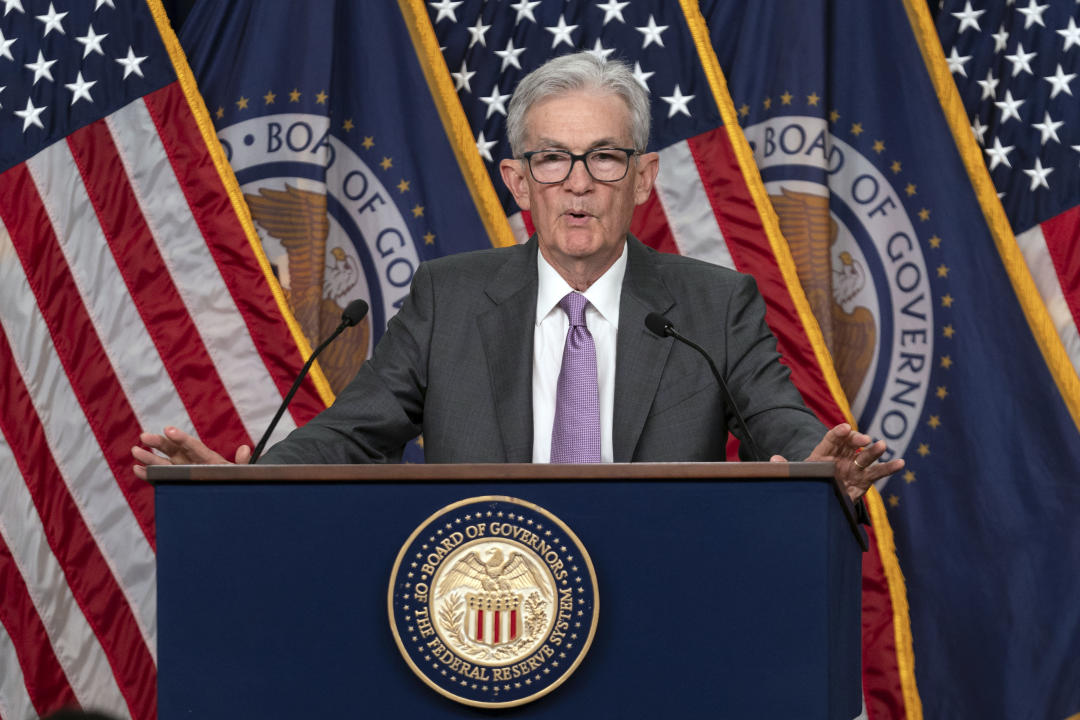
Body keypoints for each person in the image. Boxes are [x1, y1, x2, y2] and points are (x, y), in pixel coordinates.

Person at [133, 52, 903, 500]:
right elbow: (352, 432)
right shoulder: (448, 298)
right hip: (484, 611)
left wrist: (817, 464)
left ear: (642, 178)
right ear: (517, 181)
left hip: (663, 606)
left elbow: (777, 418)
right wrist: (251, 484)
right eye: (550, 159)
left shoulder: (711, 303)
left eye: (604, 156)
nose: (577, 182)